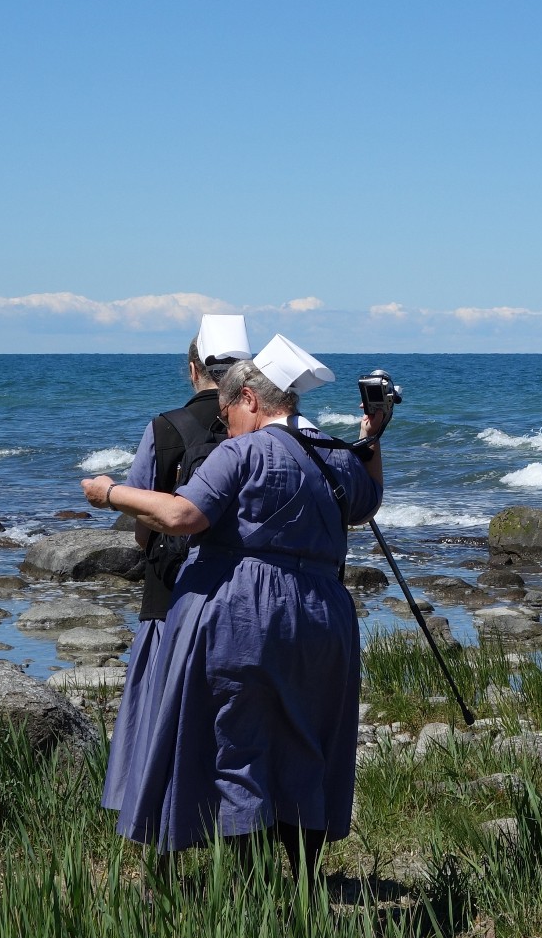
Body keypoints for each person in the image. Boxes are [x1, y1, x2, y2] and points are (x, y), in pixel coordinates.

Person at [81, 335, 387, 874]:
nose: (225, 423)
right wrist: (373, 439)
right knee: (307, 738)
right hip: (325, 613)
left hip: (249, 611)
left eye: (227, 410)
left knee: (239, 739)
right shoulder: (336, 455)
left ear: (250, 398)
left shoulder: (242, 452)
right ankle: (303, 885)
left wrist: (111, 493)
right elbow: (367, 503)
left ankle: (247, 883)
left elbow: (182, 517)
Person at [99, 315, 253, 816]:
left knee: (159, 715)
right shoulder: (259, 428)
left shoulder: (166, 427)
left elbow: (144, 516)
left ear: (193, 370)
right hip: (241, 593)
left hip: (172, 594)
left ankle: (154, 817)